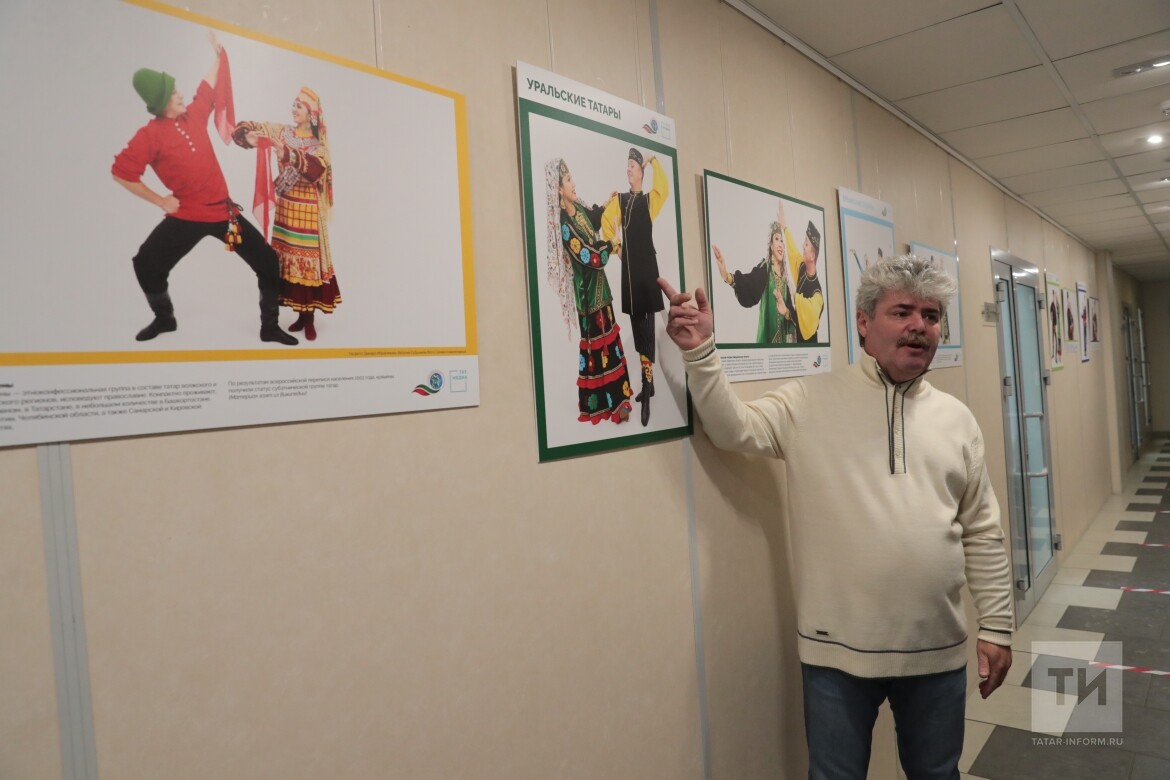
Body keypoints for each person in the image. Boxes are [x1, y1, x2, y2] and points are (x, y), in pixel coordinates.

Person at [659, 255, 1013, 780]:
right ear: (863, 323)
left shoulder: (957, 420)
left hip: (936, 650)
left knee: (938, 774)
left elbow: (982, 530)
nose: (919, 326)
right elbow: (734, 429)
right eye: (902, 312)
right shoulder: (810, 400)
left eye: (931, 315)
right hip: (835, 656)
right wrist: (700, 352)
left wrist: (998, 627)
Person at [111, 32, 297, 345]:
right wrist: (159, 200)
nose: (180, 94)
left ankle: (269, 328)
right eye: (174, 92)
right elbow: (121, 172)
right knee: (145, 264)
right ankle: (165, 319)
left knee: (267, 261)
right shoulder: (148, 136)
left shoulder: (192, 115)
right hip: (186, 217)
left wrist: (218, 56)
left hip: (224, 213)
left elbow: (207, 88)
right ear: (161, 102)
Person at [233, 86, 340, 341]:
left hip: (307, 213)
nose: (294, 109)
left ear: (312, 114)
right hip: (285, 211)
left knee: (307, 264)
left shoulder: (319, 146)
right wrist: (248, 134)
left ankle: (308, 318)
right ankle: (298, 315)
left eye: (299, 106)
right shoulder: (282, 132)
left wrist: (287, 153)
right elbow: (253, 127)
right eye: (293, 105)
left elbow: (316, 170)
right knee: (287, 261)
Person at [546, 158, 633, 425]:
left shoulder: (578, 209)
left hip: (601, 291)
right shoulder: (564, 226)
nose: (574, 184)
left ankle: (621, 399)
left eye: (572, 178)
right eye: (568, 180)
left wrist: (607, 203)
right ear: (558, 189)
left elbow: (593, 220)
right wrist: (611, 244)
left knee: (611, 343)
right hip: (588, 297)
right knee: (598, 350)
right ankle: (607, 404)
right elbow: (590, 257)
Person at [601, 148, 669, 426]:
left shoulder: (650, 201)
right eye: (627, 165)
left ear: (641, 172)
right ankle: (648, 384)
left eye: (633, 165)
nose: (629, 169)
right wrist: (616, 246)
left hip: (647, 272)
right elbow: (606, 222)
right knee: (639, 330)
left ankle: (647, 386)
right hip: (630, 275)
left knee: (648, 330)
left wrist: (653, 161)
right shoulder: (620, 200)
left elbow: (663, 188)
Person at [712, 220, 799, 344]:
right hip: (766, 344)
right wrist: (726, 275)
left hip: (783, 348)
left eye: (782, 242)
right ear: (771, 245)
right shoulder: (765, 270)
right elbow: (748, 283)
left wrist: (786, 312)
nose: (780, 245)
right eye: (777, 239)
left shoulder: (787, 282)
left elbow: (793, 316)